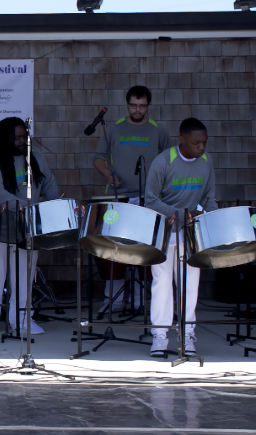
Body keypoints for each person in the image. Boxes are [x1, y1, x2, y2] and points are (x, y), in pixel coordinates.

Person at [0, 117, 59, 336]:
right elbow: (0, 196)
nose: (23, 141)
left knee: (25, 273)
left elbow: (48, 182)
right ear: (5, 138)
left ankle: (22, 318)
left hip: (27, 225)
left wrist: (52, 208)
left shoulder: (34, 156)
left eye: (25, 136)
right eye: (18, 138)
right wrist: (31, 208)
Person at [92, 85, 171, 312]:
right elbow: (98, 158)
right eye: (134, 105)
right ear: (127, 105)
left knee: (142, 249)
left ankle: (139, 301)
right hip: (118, 197)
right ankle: (113, 301)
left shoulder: (159, 130)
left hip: (149, 198)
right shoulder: (114, 129)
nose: (138, 110)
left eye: (142, 106)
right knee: (115, 249)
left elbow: (169, 162)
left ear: (148, 105)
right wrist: (108, 173)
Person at [144, 117, 217, 357]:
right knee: (162, 285)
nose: (202, 148)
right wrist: (180, 213)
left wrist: (208, 216)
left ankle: (187, 335)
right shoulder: (163, 161)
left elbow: (209, 198)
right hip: (165, 233)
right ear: (181, 139)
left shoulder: (206, 162)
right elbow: (151, 199)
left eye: (204, 142)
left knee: (189, 286)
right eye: (196, 143)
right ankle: (160, 336)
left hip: (191, 234)